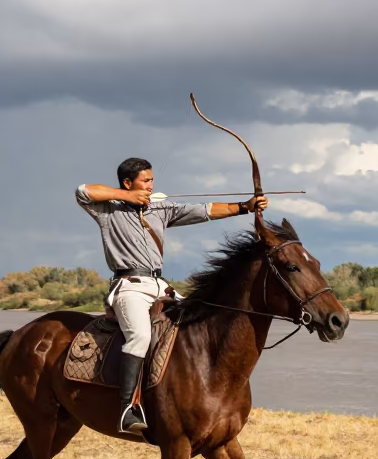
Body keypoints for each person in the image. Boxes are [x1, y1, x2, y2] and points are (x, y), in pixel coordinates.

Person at [76, 157, 268, 435]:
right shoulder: (108, 210)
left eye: (152, 180)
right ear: (128, 183)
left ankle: (190, 393)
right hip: (129, 285)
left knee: (199, 320)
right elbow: (83, 191)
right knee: (140, 336)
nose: (151, 186)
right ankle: (128, 408)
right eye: (145, 181)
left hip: (159, 285)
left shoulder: (159, 209)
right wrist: (126, 196)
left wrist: (245, 207)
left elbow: (205, 210)